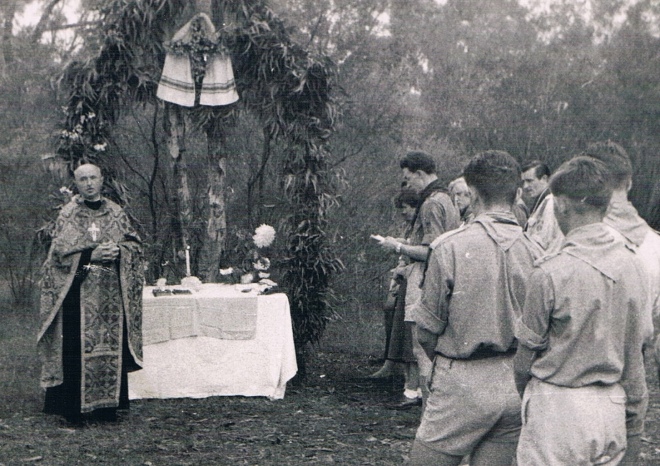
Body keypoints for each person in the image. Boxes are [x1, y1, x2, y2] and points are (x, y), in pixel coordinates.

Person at [514, 156, 650, 465]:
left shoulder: (550, 271)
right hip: (611, 405)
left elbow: (523, 363)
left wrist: (536, 401)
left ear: (560, 205)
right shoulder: (633, 266)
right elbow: (635, 359)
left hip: (558, 407)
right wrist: (634, 424)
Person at [409, 150, 541, 465]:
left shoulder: (449, 247)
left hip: (462, 377)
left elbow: (426, 332)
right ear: (518, 193)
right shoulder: (538, 252)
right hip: (515, 380)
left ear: (473, 194)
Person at [38, 163, 144, 425]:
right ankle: (74, 410)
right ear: (76, 183)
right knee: (75, 347)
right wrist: (90, 255)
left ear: (102, 179)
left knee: (110, 345)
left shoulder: (116, 213)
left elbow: (134, 244)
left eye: (93, 178)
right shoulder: (69, 214)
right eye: (82, 179)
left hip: (110, 295)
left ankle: (106, 409)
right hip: (78, 290)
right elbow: (58, 258)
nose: (88, 183)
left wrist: (120, 252)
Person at [582, 140, 660, 464]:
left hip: (574, 381)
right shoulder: (655, 247)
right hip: (629, 381)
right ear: (629, 182)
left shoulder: (575, 239)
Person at [375, 151, 460, 409]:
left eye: (408, 178)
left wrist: (398, 248)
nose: (407, 184)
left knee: (422, 350)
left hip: (426, 282)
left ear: (420, 174)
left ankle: (429, 411)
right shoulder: (447, 198)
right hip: (443, 281)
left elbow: (432, 250)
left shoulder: (432, 203)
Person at [369, 189, 420, 382]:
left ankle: (399, 368)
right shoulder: (410, 226)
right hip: (404, 274)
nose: (403, 213)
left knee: (402, 317)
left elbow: (415, 250)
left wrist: (400, 247)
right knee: (391, 308)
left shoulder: (421, 225)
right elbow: (404, 255)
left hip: (413, 277)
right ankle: (391, 361)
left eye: (405, 209)